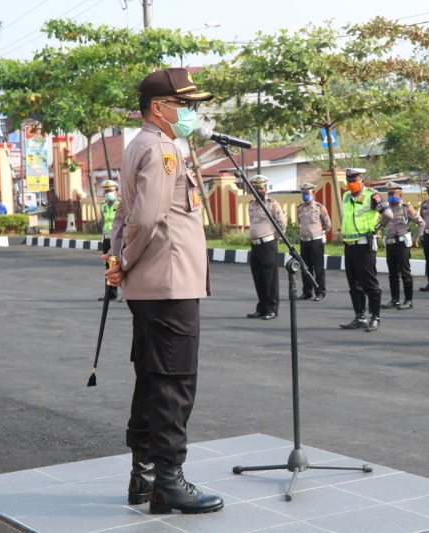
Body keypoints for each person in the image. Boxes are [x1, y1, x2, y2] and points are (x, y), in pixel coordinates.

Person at [104, 67, 224, 514]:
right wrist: (126, 261)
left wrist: (118, 261)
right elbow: (148, 217)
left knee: (152, 379)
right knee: (175, 383)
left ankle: (144, 476)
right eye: (185, 104)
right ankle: (169, 481)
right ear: (159, 108)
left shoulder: (138, 145)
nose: (191, 112)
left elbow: (124, 212)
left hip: (152, 285)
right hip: (169, 284)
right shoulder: (162, 149)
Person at [339, 167, 393, 332]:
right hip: (349, 245)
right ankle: (359, 317)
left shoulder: (372, 196)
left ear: (361, 179)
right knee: (354, 283)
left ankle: (375, 318)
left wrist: (377, 227)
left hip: (364, 245)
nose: (351, 184)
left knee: (369, 283)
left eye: (354, 181)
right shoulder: (346, 195)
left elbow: (388, 214)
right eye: (348, 181)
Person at [246, 175, 286, 320]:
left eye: (261, 188)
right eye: (255, 188)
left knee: (270, 279)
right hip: (255, 245)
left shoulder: (272, 204)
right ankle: (262, 308)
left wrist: (276, 239)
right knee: (259, 278)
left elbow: (282, 223)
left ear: (266, 188)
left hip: (268, 244)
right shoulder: (251, 205)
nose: (258, 191)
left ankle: (271, 309)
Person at [382, 182, 425, 310]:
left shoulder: (406, 208)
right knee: (392, 274)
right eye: (389, 194)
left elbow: (421, 223)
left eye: (393, 193)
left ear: (400, 194)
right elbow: (382, 224)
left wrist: (415, 239)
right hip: (390, 244)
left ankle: (408, 300)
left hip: (402, 244)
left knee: (405, 273)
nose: (391, 196)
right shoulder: (386, 209)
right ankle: (394, 300)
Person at [296, 182, 331, 301]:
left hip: (316, 241)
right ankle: (307, 292)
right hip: (304, 241)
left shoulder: (320, 208)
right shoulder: (299, 208)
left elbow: (327, 224)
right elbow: (300, 222)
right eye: (304, 193)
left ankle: (320, 292)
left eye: (308, 193)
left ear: (313, 193)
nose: (306, 195)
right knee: (305, 268)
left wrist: (320, 233)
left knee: (318, 268)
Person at [98, 179, 121, 302]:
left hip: (118, 239)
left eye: (110, 191)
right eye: (105, 191)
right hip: (107, 238)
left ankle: (125, 294)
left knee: (120, 265)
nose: (107, 193)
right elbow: (103, 220)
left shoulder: (120, 204)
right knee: (108, 266)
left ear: (116, 192)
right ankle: (110, 293)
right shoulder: (103, 205)